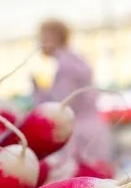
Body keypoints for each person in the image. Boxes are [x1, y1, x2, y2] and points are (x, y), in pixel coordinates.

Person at [33, 19, 112, 173]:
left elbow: (63, 105)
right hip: (93, 128)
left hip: (80, 135)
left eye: (42, 38)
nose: (39, 43)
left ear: (53, 37)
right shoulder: (76, 58)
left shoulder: (65, 65)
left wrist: (39, 92)